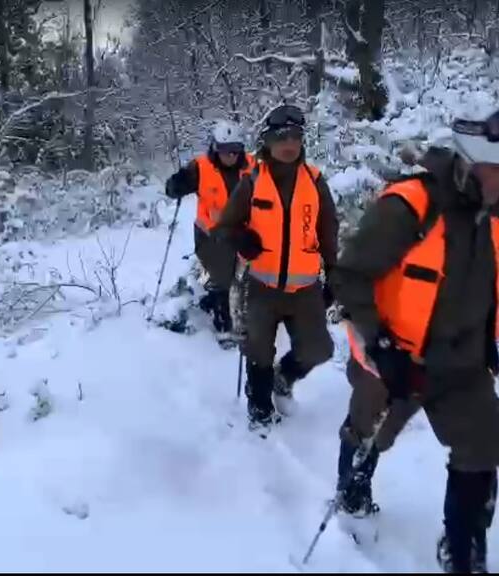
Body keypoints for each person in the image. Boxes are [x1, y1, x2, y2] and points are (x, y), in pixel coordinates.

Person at [330, 109, 499, 573]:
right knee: (367, 433)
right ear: (476, 164)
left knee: (483, 448)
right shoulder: (411, 205)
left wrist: (489, 339)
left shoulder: (493, 215)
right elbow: (348, 276)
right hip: (394, 354)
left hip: (462, 361)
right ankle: (353, 492)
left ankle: (463, 549)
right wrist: (382, 348)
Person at [212, 104, 338, 429]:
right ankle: (260, 413)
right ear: (267, 141)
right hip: (261, 288)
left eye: (296, 136)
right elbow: (224, 228)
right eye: (281, 137)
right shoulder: (253, 181)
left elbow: (329, 231)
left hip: (305, 289)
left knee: (319, 349)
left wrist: (335, 274)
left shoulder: (315, 181)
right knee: (258, 353)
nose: (289, 143)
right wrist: (241, 238)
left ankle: (285, 377)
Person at [165, 120, 255, 337]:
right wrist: (176, 184)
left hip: (247, 232)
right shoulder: (201, 167)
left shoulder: (254, 166)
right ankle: (223, 326)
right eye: (225, 150)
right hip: (212, 236)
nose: (230, 156)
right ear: (215, 147)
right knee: (222, 278)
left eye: (235, 150)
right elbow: (172, 188)